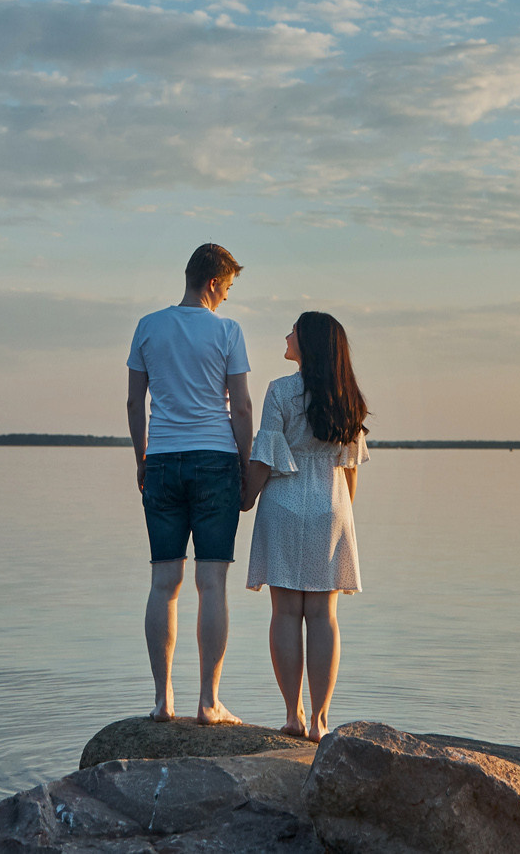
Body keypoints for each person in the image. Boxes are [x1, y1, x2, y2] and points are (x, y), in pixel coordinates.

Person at [126, 241, 254, 726]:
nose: (227, 299)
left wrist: (140, 456)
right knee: (212, 582)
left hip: (161, 458)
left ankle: (163, 701)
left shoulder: (147, 327)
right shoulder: (227, 331)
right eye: (228, 289)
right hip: (215, 459)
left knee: (164, 582)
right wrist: (246, 466)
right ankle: (208, 701)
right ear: (213, 284)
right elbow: (240, 407)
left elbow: (135, 404)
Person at [241, 310, 368, 740]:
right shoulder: (347, 396)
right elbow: (350, 467)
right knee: (323, 616)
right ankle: (320, 720)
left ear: (308, 342)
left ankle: (293, 715)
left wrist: (246, 497)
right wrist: (340, 512)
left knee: (285, 612)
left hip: (284, 503)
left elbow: (266, 457)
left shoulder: (279, 392)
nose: (286, 335)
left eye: (293, 330)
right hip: (331, 505)